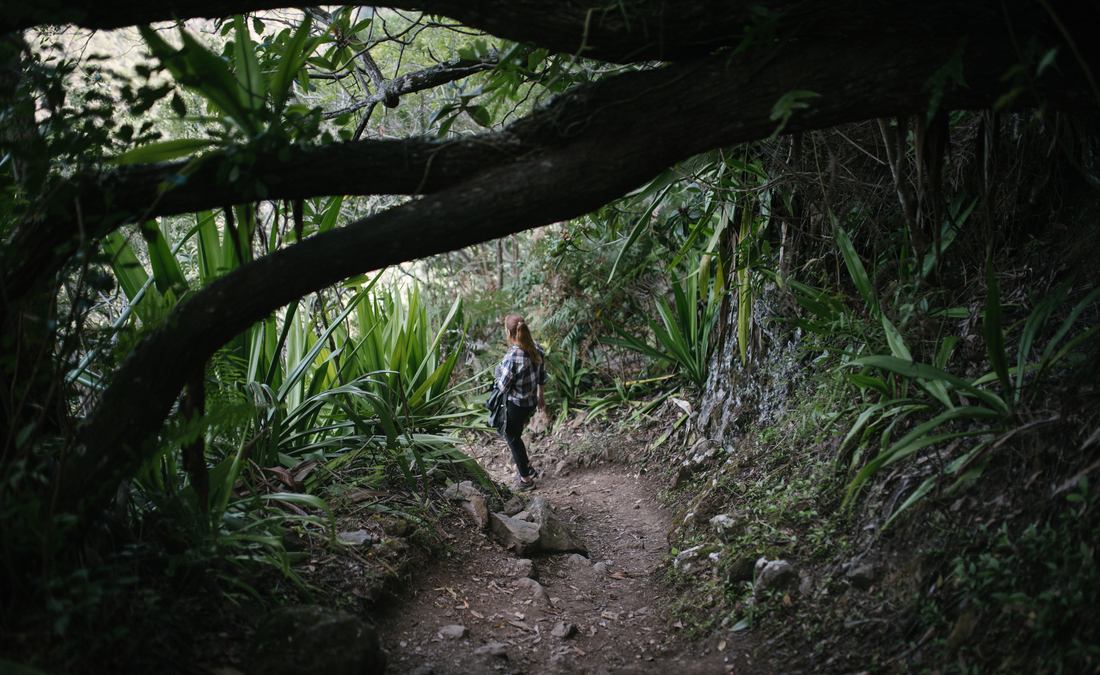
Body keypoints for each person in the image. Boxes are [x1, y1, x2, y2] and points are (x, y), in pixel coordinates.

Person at [494, 313, 547, 490]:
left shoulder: (512, 357)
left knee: (512, 437)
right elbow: (542, 377)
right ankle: (526, 468)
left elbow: (502, 387)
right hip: (531, 402)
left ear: (509, 333)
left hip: (516, 405)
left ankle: (525, 479)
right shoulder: (537, 348)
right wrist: (541, 397)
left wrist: (498, 370)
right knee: (516, 434)